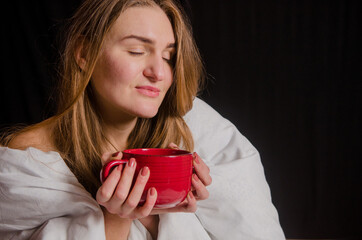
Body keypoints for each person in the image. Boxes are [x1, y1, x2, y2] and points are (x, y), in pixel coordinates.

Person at [0, 0, 285, 239]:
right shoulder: (29, 159)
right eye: (137, 51)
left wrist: (160, 208)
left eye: (169, 56)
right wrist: (116, 218)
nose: (158, 73)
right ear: (84, 54)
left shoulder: (201, 137)